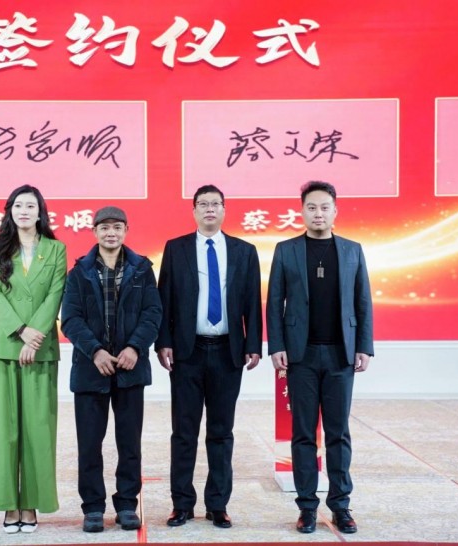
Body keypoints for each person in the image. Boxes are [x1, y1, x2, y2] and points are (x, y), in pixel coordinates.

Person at [266, 180, 374, 535]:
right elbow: (274, 301)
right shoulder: (286, 250)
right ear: (302, 211)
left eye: (324, 207)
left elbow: (362, 300)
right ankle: (307, 508)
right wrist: (276, 345)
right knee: (302, 434)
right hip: (302, 356)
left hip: (341, 355)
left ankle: (341, 506)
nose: (318, 213)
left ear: (335, 211)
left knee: (338, 433)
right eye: (311, 207)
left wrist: (364, 345)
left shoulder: (352, 250)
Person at [155, 184, 262, 529]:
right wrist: (163, 342)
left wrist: (253, 344)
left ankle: (218, 504)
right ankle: (181, 504)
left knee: (221, 432)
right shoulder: (176, 249)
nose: (210, 209)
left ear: (224, 210)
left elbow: (252, 302)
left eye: (216, 204)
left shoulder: (244, 251)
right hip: (187, 352)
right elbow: (164, 298)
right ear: (194, 211)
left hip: (228, 352)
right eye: (203, 204)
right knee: (183, 432)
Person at [61, 206, 162, 533]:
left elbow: (153, 314)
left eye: (117, 227)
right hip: (91, 371)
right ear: (94, 232)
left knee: (129, 443)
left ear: (125, 231)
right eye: (104, 227)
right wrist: (95, 351)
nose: (111, 233)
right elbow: (70, 319)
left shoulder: (142, 269)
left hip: (130, 370)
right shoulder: (79, 272)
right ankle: (93, 507)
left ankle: (127, 504)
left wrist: (135, 347)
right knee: (90, 444)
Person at [0, 184, 67, 534]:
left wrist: (35, 335)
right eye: (18, 205)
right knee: (2, 430)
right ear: (10, 211)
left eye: (31, 206)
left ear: (40, 212)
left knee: (37, 430)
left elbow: (55, 294)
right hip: (4, 347)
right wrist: (20, 331)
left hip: (40, 350)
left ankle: (30, 505)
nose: (24, 211)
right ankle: (8, 504)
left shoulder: (56, 249)